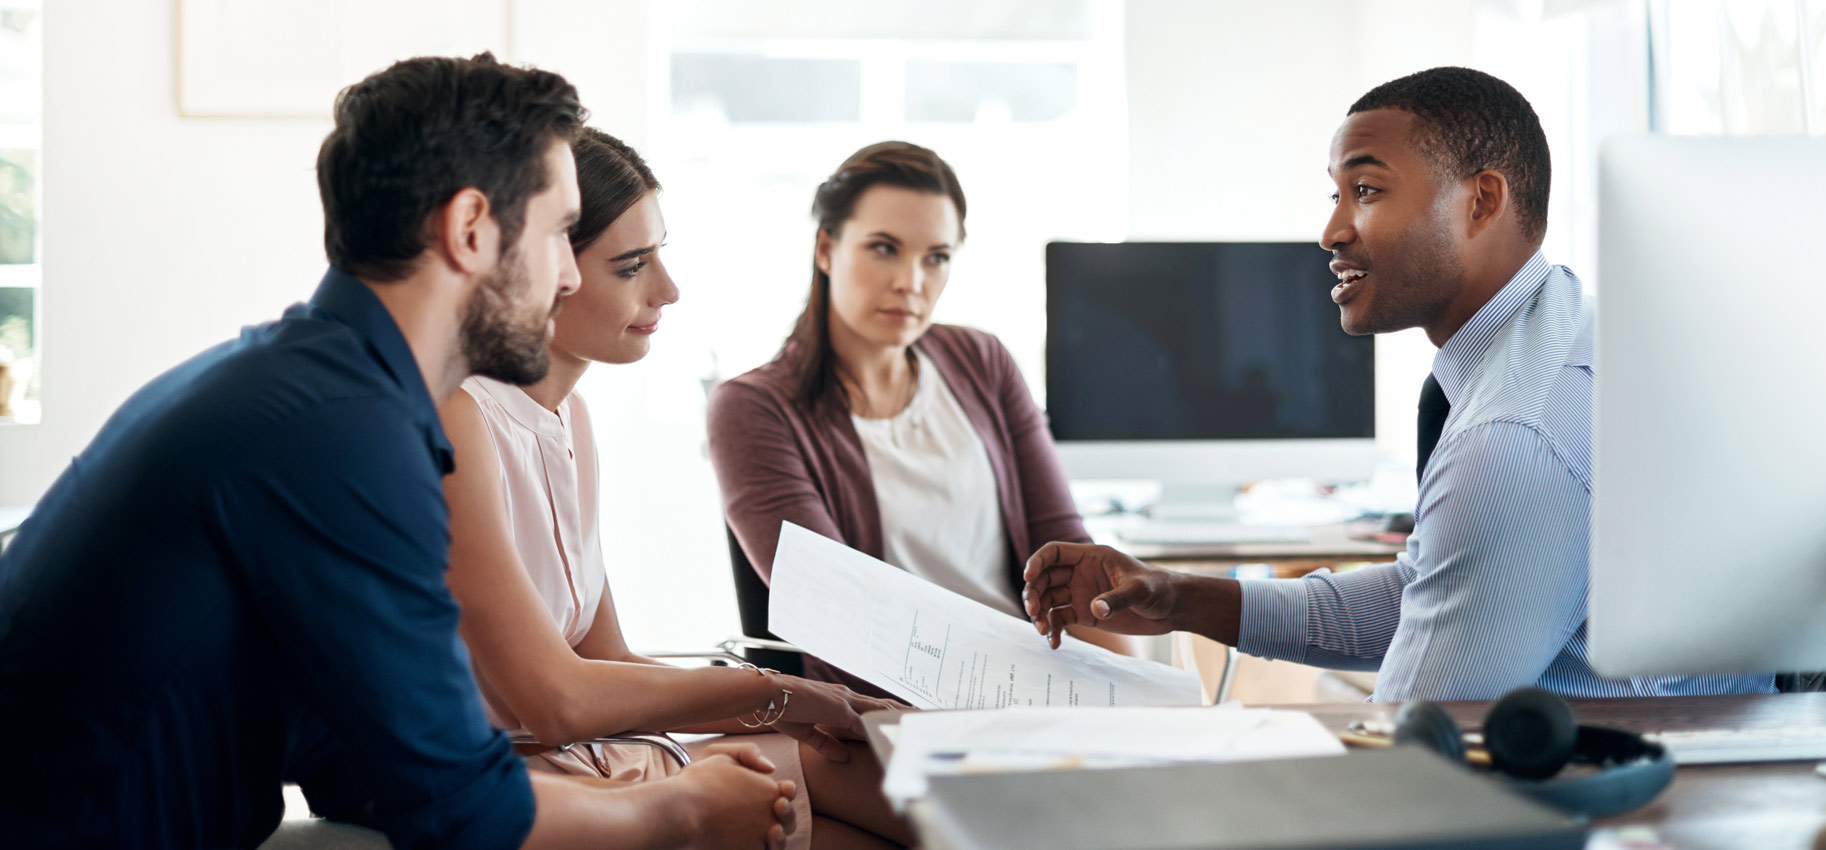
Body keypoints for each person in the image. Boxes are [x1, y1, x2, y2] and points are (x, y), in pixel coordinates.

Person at [0, 55, 795, 850]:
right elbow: (463, 812)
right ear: (470, 229)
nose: (563, 277)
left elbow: (369, 751)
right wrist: (680, 807)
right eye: (559, 233)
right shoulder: (342, 433)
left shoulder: (314, 382)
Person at [1021, 67, 1775, 702]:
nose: (1331, 232)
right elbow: (1431, 592)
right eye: (1335, 195)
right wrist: (1176, 597)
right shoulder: (1560, 332)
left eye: (1368, 192)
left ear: (1480, 201)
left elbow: (1408, 758)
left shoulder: (1512, 436)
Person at [439, 126, 915, 850]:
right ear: (542, 269)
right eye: (631, 265)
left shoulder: (570, 415)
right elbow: (559, 699)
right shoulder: (461, 418)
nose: (667, 289)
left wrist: (790, 707)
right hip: (533, 786)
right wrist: (770, 693)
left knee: (879, 772)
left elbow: (607, 661)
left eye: (660, 254)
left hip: (593, 757)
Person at [706, 142, 1131, 699]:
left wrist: (1134, 694)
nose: (912, 281)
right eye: (884, 248)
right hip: (888, 709)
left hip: (1035, 687)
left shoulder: (984, 362)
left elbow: (1072, 558)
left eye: (936, 257)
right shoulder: (754, 408)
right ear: (827, 248)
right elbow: (842, 622)